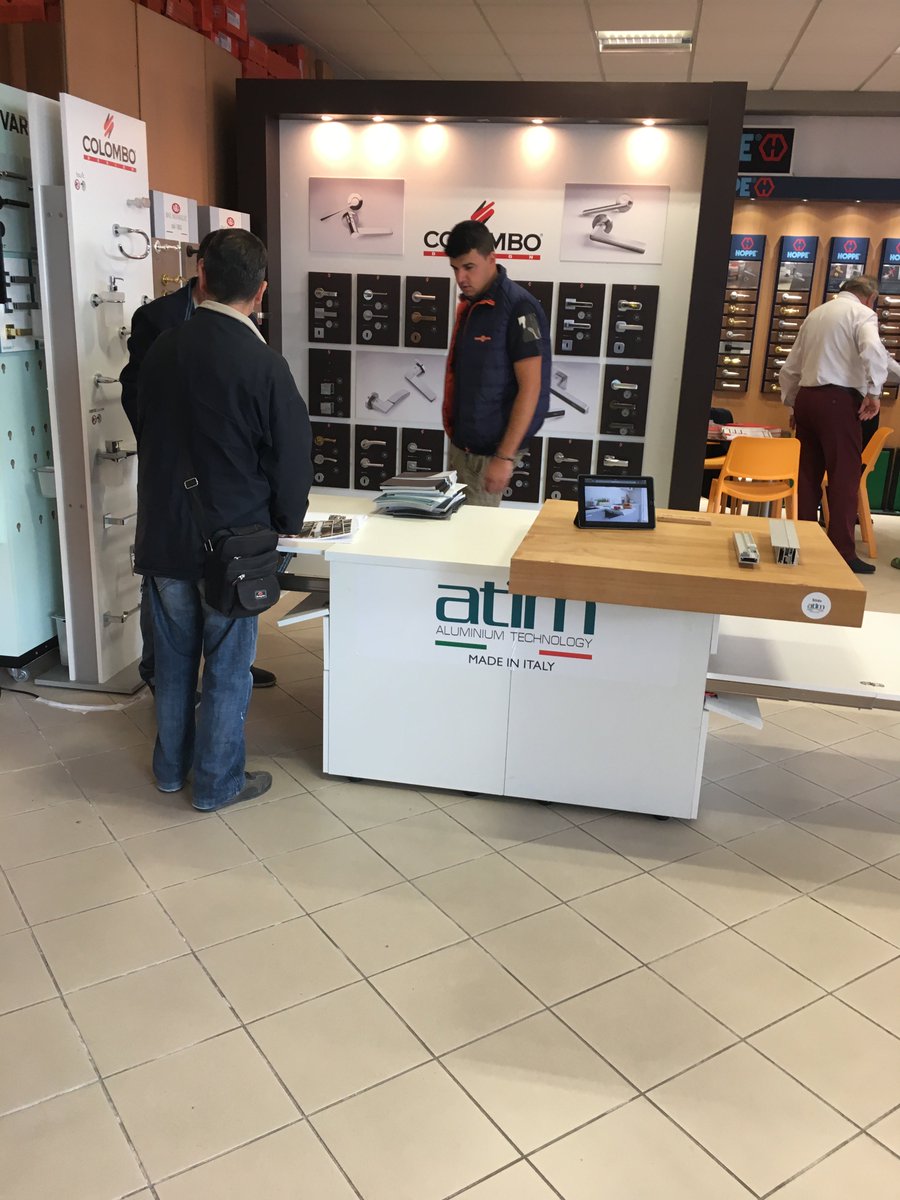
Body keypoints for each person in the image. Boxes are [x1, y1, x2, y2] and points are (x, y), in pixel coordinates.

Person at [133, 229, 312, 810]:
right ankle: (217, 782)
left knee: (172, 662)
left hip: (164, 534)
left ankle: (169, 770)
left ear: (202, 278)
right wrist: (285, 522)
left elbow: (145, 429)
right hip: (236, 544)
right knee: (229, 667)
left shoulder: (162, 348)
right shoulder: (264, 365)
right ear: (260, 292)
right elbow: (291, 459)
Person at [121, 233, 278, 690]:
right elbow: (138, 397)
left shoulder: (246, 330)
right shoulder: (157, 321)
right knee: (169, 616)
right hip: (175, 494)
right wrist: (167, 452)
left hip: (224, 498)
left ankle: (212, 676)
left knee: (222, 616)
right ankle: (159, 674)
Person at [779, 275, 890, 574]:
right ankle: (842, 552)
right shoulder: (862, 313)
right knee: (844, 476)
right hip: (838, 401)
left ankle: (800, 543)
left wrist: (792, 403)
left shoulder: (816, 315)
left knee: (806, 475)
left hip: (807, 398)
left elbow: (791, 367)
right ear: (870, 297)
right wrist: (874, 392)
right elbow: (873, 350)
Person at [442, 220, 550, 505]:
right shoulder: (473, 305)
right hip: (463, 447)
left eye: (469, 267)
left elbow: (531, 387)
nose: (461, 277)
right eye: (455, 268)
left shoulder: (518, 307)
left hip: (490, 454)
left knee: (473, 532)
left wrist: (504, 456)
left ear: (492, 258)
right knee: (455, 528)